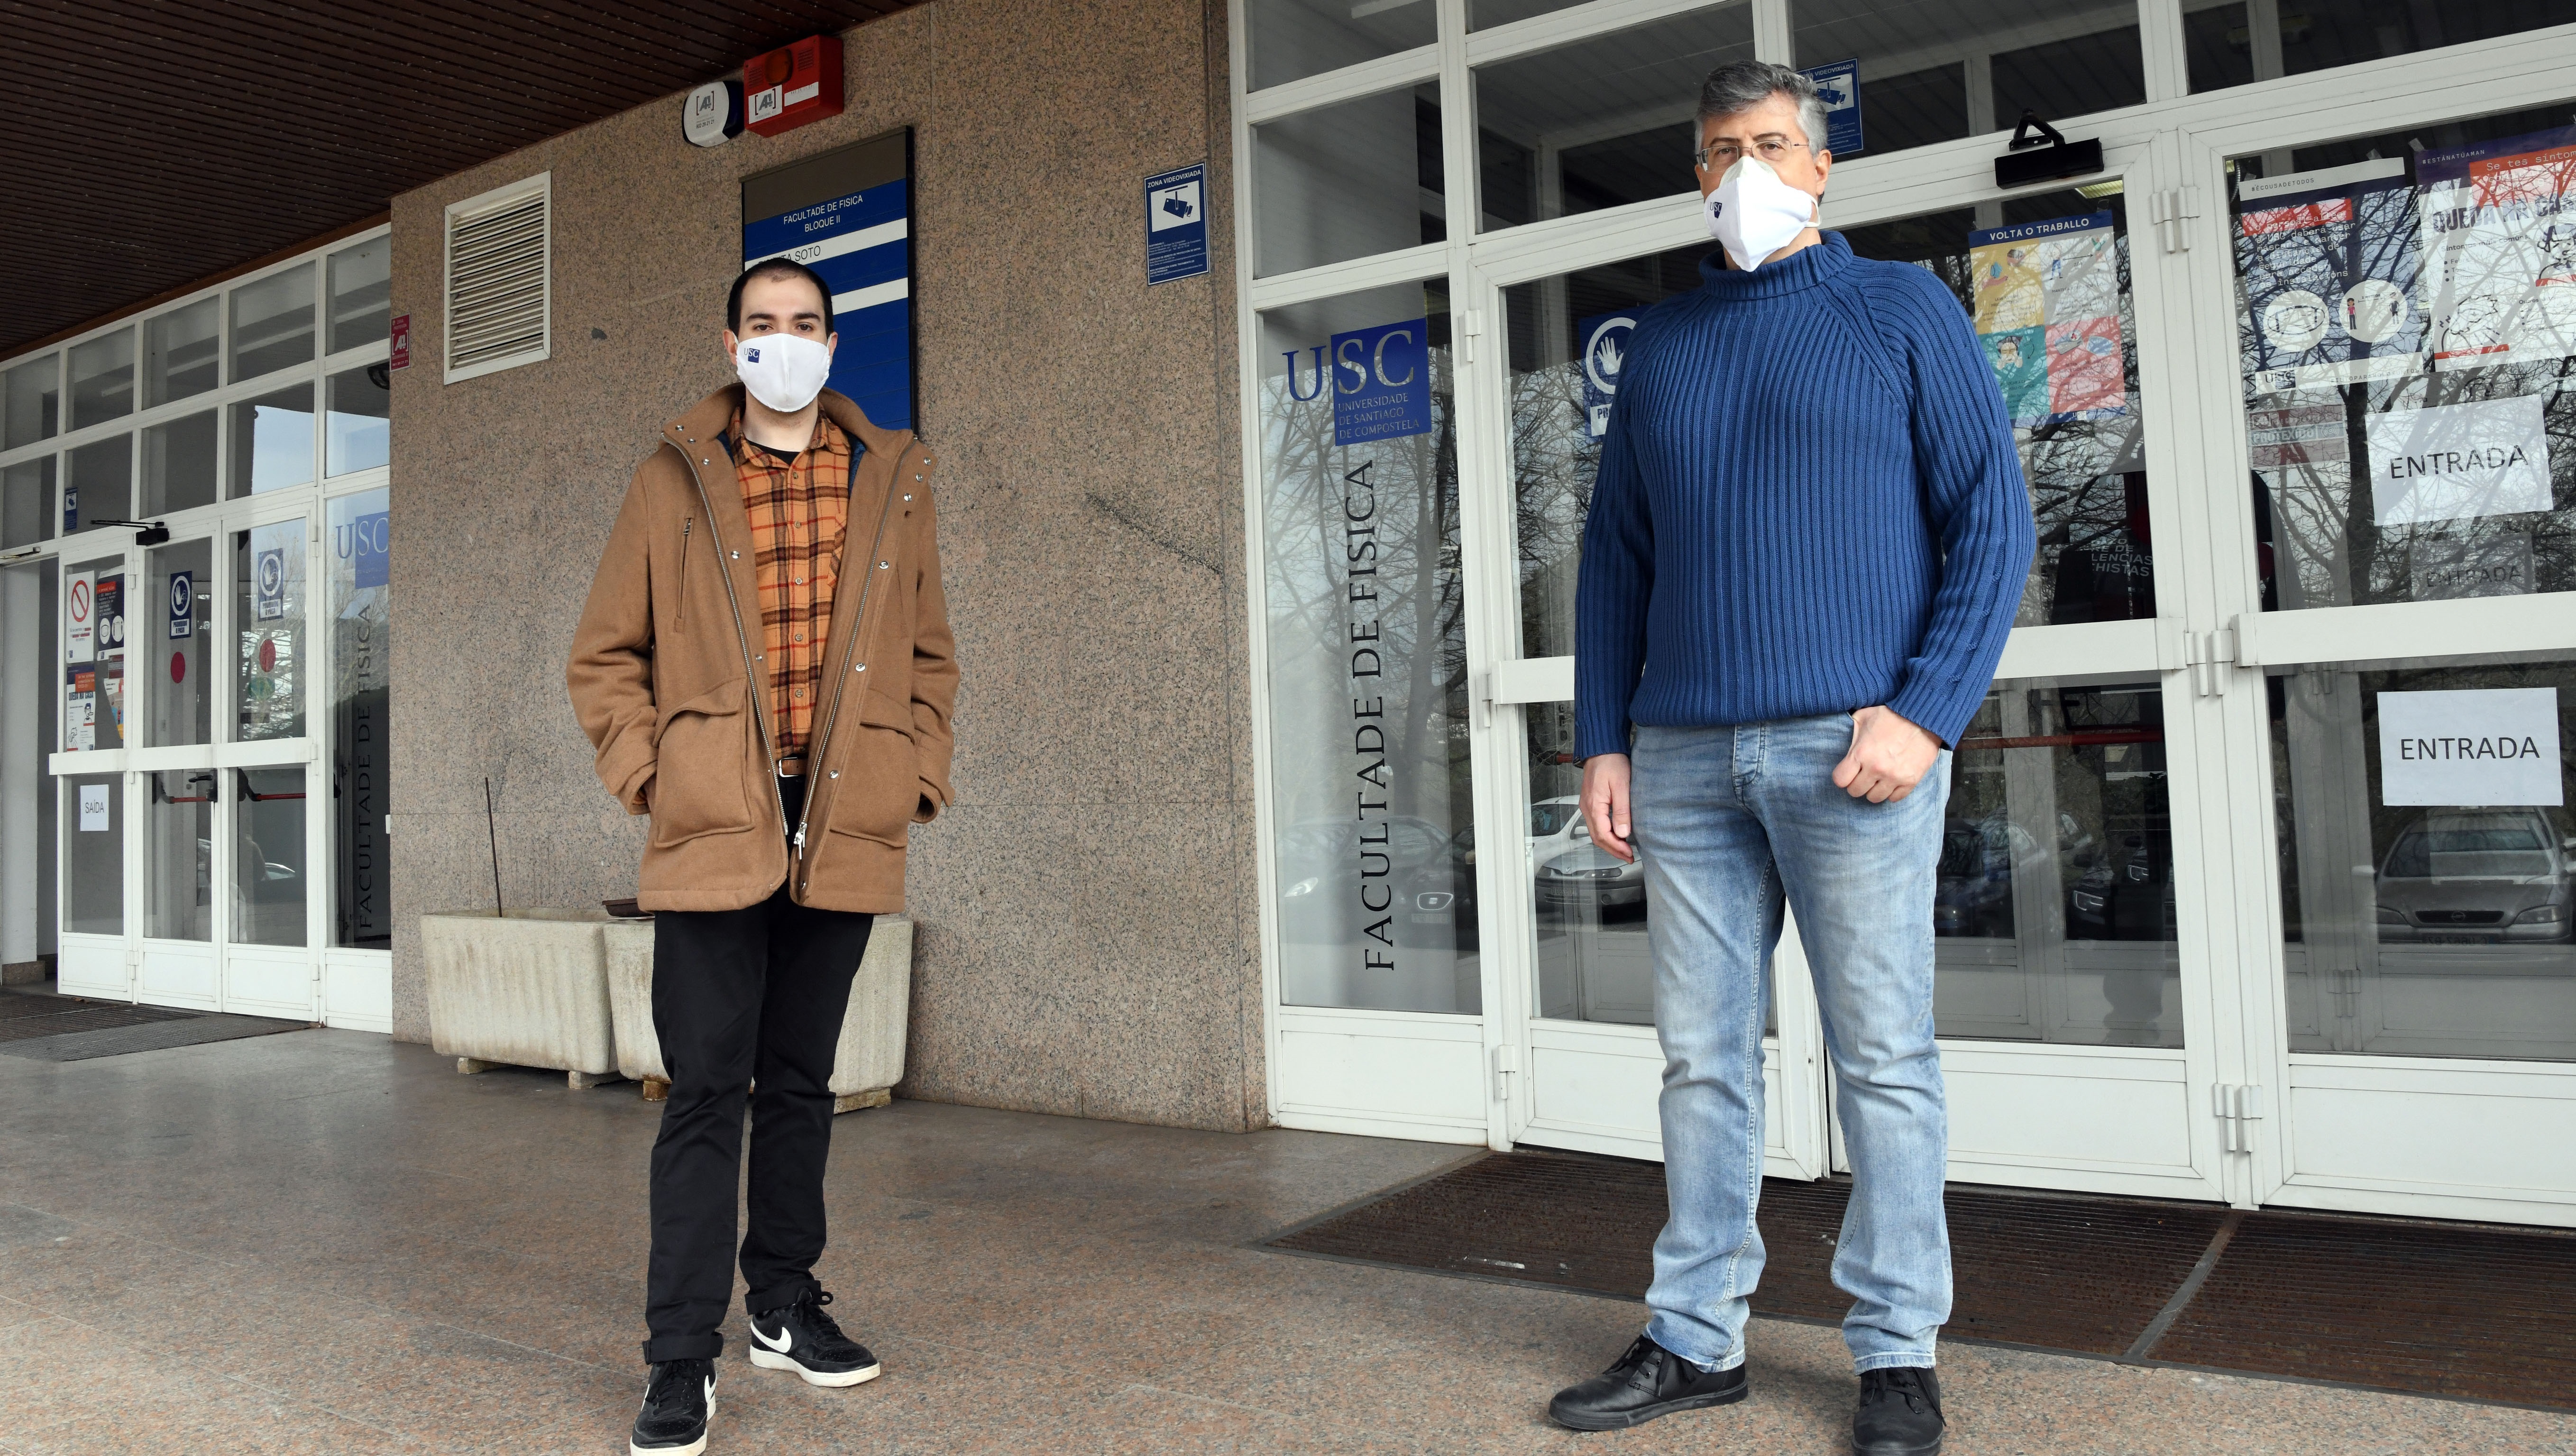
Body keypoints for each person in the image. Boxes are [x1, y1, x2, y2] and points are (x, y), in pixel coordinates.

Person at [1544, 61, 2034, 1456]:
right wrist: (1602, 737)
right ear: (1697, 174)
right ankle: (1695, 1337)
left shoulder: (1902, 310)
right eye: (1721, 150)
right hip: (1684, 753)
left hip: (1853, 748)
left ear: (1820, 167)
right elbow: (1615, 558)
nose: (1745, 170)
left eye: (1771, 145)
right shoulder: (1664, 344)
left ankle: (1897, 1350)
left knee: (1881, 1057)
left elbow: (1991, 521)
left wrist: (1925, 711)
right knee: (1701, 1062)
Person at [568, 257, 958, 1456]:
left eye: (803, 324)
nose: (781, 341)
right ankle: (679, 1357)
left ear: (831, 346)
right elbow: (604, 656)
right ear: (730, 340)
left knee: (799, 1084)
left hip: (840, 819)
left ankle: (783, 1304)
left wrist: (914, 775)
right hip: (713, 826)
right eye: (760, 323)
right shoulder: (672, 476)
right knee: (703, 1092)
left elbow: (929, 654)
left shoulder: (891, 477)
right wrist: (655, 778)